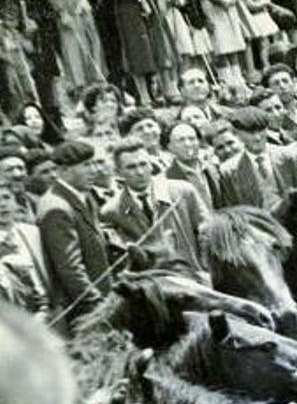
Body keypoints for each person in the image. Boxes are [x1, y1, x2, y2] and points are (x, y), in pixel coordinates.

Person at [101, 138, 209, 272]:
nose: (140, 172)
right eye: (131, 167)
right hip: (154, 287)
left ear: (151, 164)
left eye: (143, 164)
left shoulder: (183, 191)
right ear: (118, 172)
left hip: (195, 278)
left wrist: (205, 269)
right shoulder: (111, 211)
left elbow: (206, 232)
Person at [37, 141, 112, 328]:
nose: (94, 170)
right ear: (63, 171)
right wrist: (99, 306)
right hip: (85, 312)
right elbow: (71, 269)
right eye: (86, 165)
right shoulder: (57, 207)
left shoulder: (81, 196)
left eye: (94, 163)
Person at [216, 107, 297, 209]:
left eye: (261, 131)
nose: (257, 138)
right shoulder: (229, 171)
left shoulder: (292, 156)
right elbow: (234, 210)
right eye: (250, 133)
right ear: (238, 134)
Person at [0, 181, 48, 319]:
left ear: (15, 202)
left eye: (6, 198)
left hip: (52, 316)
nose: (2, 204)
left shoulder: (33, 233)